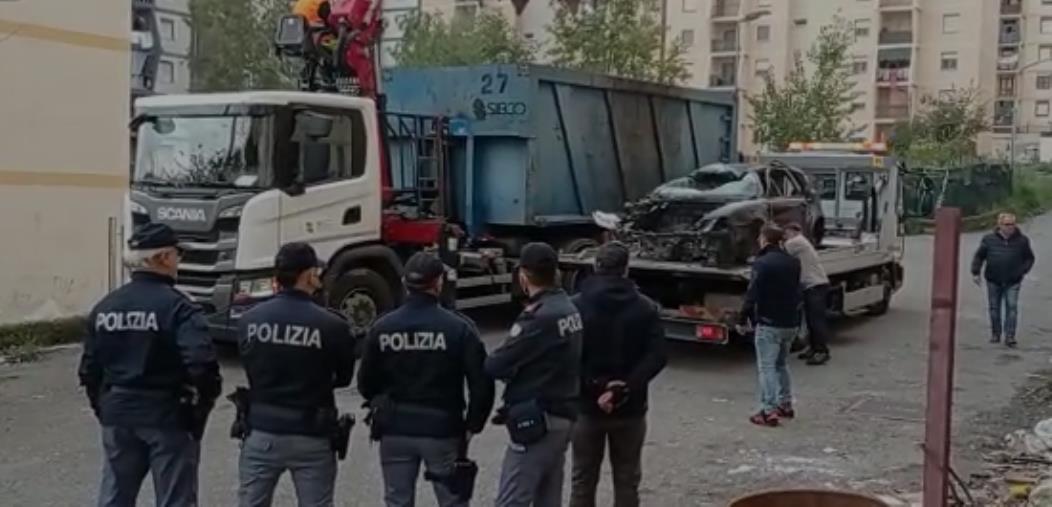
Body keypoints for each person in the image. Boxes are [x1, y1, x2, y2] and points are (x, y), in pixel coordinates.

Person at [78, 222, 222, 507]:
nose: (179, 261)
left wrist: (104, 407)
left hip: (118, 412)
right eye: (177, 254)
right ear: (163, 258)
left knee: (115, 495)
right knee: (175, 498)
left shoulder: (106, 306)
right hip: (167, 414)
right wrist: (199, 409)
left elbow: (89, 369)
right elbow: (202, 364)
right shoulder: (179, 307)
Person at [358, 251, 495, 507]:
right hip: (441, 430)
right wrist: (472, 425)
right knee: (452, 500)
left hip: (395, 429)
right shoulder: (459, 328)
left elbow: (365, 383)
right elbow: (481, 384)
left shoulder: (382, 327)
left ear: (404, 282)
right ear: (438, 283)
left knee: (397, 501)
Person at [235, 242, 357, 507]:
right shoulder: (333, 325)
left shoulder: (249, 320)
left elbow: (250, 365)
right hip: (311, 435)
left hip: (262, 431)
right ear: (308, 275)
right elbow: (344, 377)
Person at [485, 242, 584, 507]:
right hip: (563, 413)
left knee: (511, 500)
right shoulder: (568, 308)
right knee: (548, 498)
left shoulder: (537, 317)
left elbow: (496, 365)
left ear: (523, 275)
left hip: (538, 419)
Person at [569, 242, 667, 507]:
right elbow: (657, 355)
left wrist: (597, 385)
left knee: (582, 479)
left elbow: (567, 358)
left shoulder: (575, 307)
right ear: (626, 269)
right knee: (627, 479)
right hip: (631, 406)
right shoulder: (646, 308)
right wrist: (624, 387)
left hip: (586, 405)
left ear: (595, 267)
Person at [738, 225, 801, 427]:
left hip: (768, 322)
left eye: (760, 238)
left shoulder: (762, 263)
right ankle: (786, 404)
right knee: (782, 364)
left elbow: (752, 293)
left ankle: (768, 410)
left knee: (766, 367)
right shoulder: (793, 262)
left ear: (764, 240)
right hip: (790, 322)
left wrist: (743, 318)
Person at [971, 213, 1036, 348]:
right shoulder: (989, 239)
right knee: (994, 308)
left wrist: (1022, 270)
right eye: (1007, 224)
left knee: (1012, 307)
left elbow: (1029, 258)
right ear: (1000, 225)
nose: (1010, 227)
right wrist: (975, 272)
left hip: (1013, 280)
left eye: (1012, 224)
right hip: (993, 279)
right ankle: (996, 333)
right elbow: (979, 256)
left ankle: (1010, 336)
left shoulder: (1022, 241)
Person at [784, 223, 832, 366]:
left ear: (793, 231)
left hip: (815, 286)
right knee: (811, 321)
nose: (784, 236)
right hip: (813, 285)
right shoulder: (801, 242)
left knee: (816, 321)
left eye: (786, 233)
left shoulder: (796, 242)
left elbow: (779, 252)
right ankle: (813, 348)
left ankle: (822, 351)